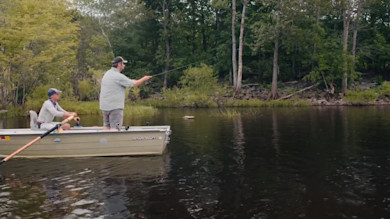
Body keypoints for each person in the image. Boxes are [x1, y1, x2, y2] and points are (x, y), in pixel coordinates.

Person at [100, 56, 152, 130]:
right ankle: (114, 141)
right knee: (115, 128)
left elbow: (129, 81)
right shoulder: (119, 76)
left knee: (106, 126)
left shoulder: (107, 73)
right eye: (123, 64)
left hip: (104, 106)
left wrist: (134, 80)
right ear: (119, 64)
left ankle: (105, 141)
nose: (124, 65)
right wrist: (144, 78)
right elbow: (134, 84)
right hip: (115, 107)